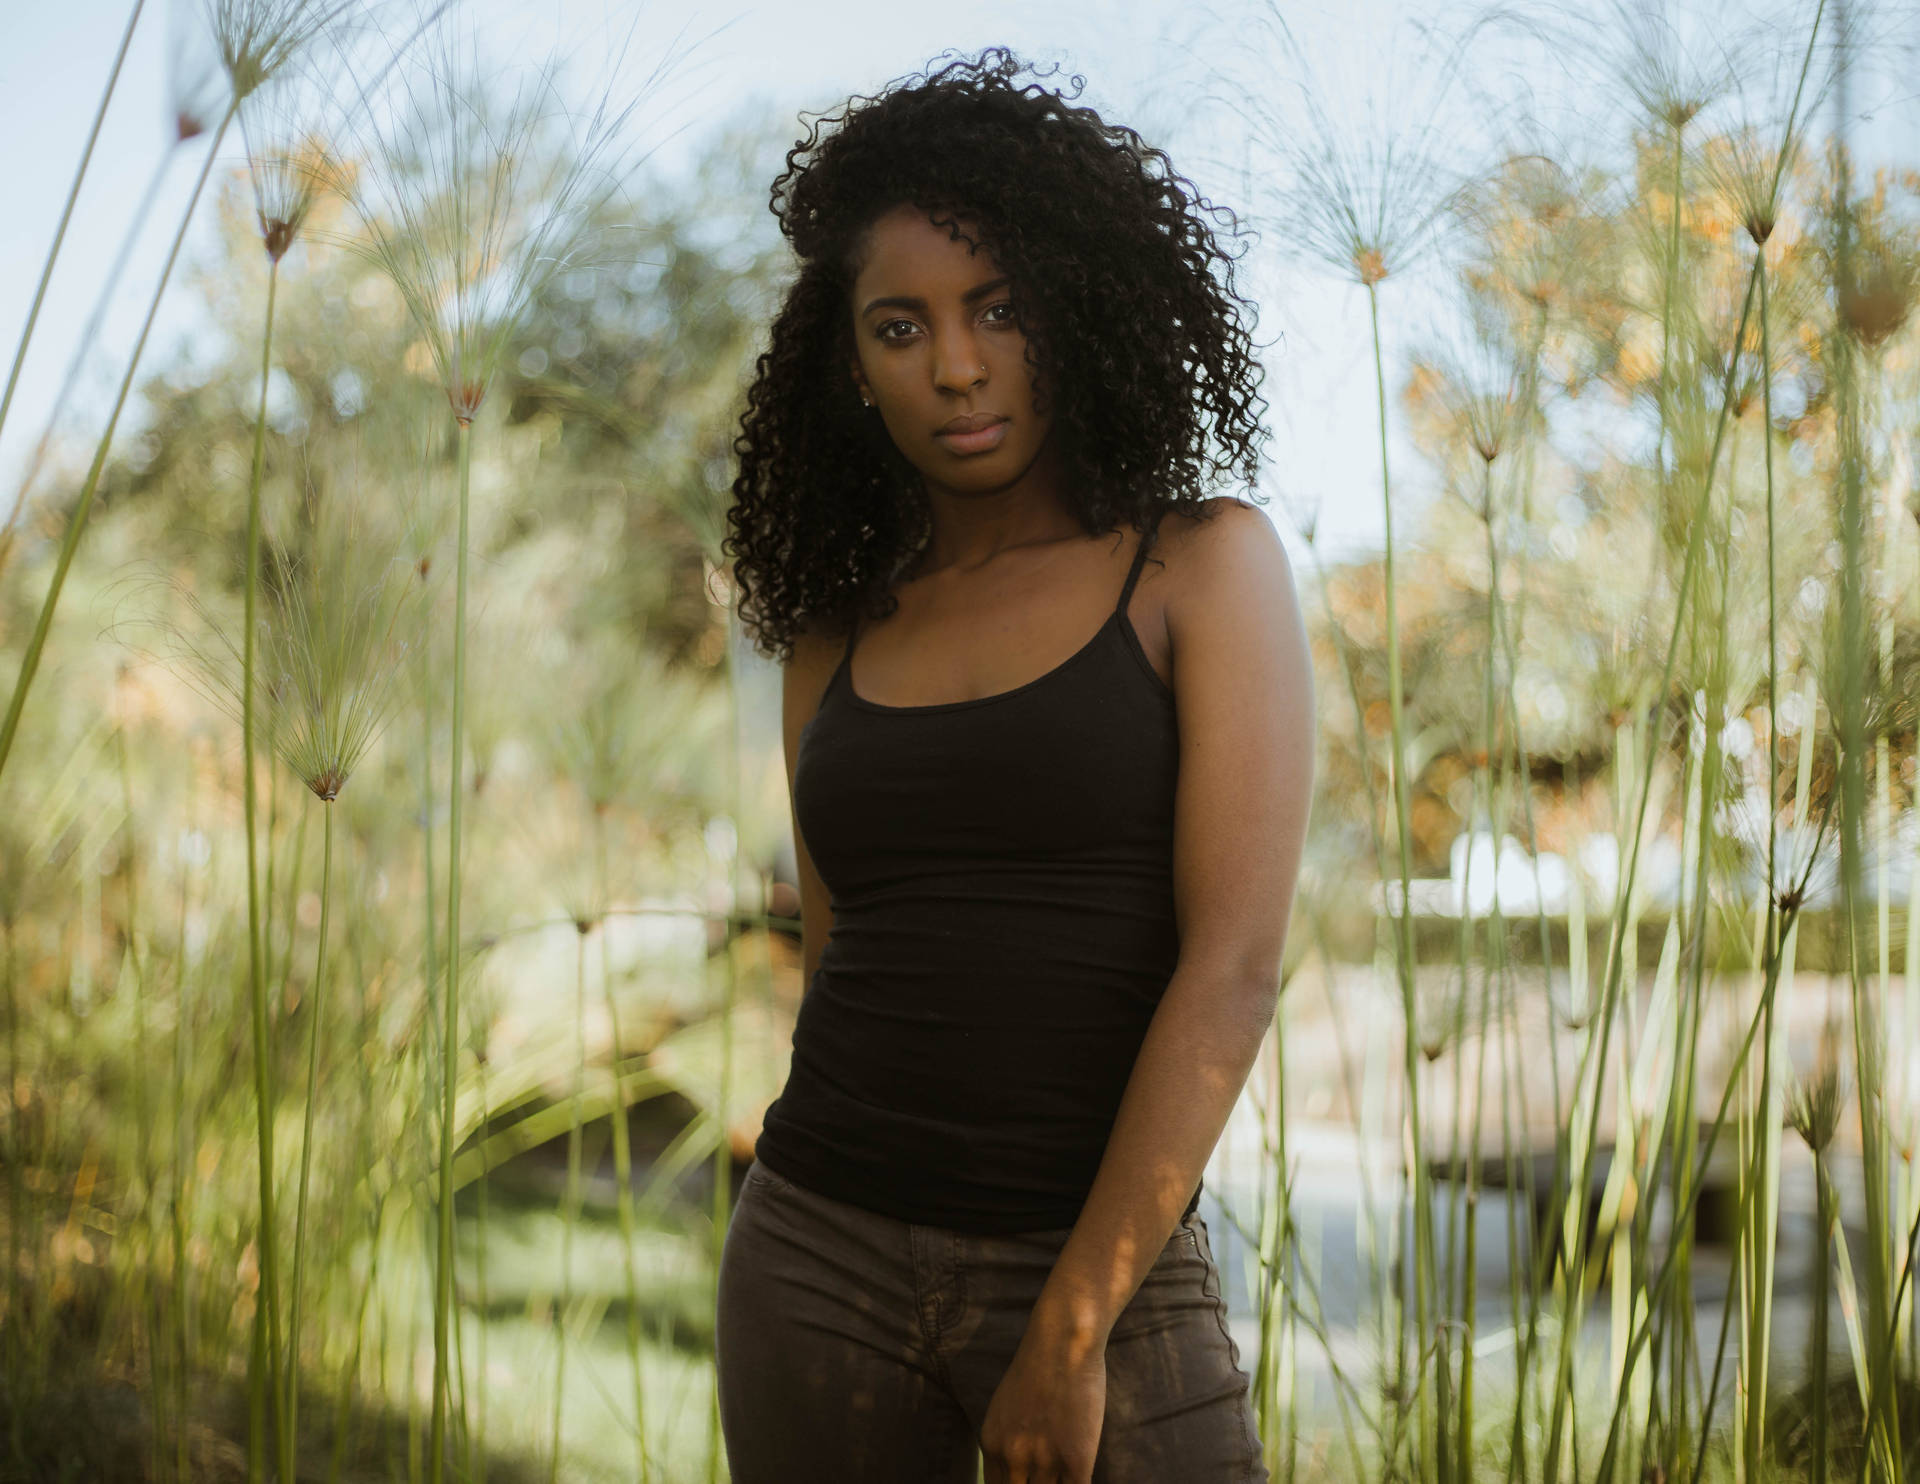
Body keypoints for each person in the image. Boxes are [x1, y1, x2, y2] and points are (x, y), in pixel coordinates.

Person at [715, 46, 1314, 1484]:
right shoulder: (836, 629)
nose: (959, 364)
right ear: (847, 363)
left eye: (996, 307)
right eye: (900, 325)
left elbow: (1231, 969)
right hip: (812, 1260)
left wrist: (1071, 1327)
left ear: (1078, 305)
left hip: (1094, 1270)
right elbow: (837, 948)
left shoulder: (1198, 567)